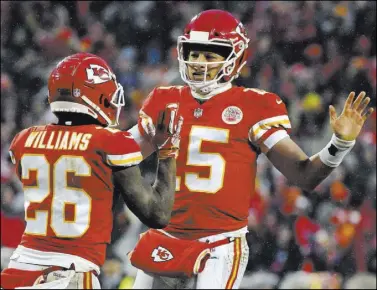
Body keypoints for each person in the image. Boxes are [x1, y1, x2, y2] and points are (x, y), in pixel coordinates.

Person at [128, 9, 375, 289]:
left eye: (210, 55)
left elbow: (305, 175)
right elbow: (118, 156)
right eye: (194, 53)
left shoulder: (255, 105)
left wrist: (339, 143)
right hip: (164, 238)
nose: (199, 63)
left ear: (236, 58)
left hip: (218, 245)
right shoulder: (164, 98)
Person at [0, 52, 183, 289]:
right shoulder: (109, 143)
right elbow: (157, 215)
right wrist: (167, 152)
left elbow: (84, 156)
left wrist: (145, 134)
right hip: (69, 274)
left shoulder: (23, 140)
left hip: (18, 271)